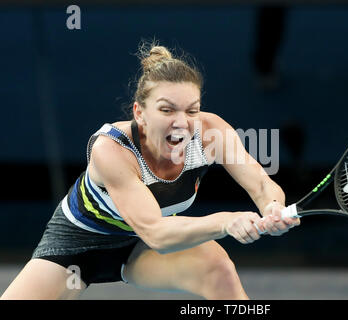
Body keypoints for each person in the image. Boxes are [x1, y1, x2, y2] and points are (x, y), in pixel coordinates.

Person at [1, 41, 300, 300]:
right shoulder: (111, 149)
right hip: (76, 246)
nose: (182, 121)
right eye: (167, 110)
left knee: (217, 268)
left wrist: (273, 207)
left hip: (139, 250)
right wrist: (225, 221)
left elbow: (261, 184)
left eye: (192, 110)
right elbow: (156, 231)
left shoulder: (211, 134)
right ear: (139, 113)